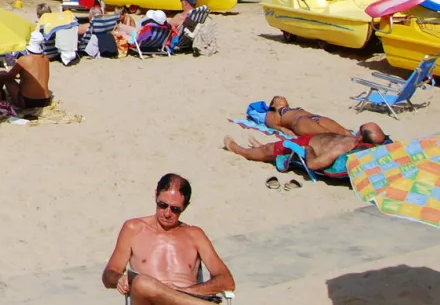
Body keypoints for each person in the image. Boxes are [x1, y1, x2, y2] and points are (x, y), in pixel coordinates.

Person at [101, 174, 234, 303]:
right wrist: (118, 278)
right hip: (150, 301)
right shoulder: (134, 229)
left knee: (142, 283)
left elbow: (226, 280)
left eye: (175, 209)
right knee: (141, 283)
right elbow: (109, 274)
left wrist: (185, 291)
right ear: (155, 196)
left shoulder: (195, 235)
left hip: (187, 299)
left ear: (185, 207)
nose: (167, 213)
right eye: (163, 205)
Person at [223, 123, 390, 178]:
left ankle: (239, 150)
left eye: (360, 130)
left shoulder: (344, 147)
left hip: (307, 145)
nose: (357, 131)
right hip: (311, 140)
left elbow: (315, 164)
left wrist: (308, 149)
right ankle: (258, 146)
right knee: (274, 146)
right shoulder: (358, 144)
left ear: (361, 138)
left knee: (269, 150)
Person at [262, 97, 351, 138]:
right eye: (278, 98)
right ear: (273, 104)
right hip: (300, 122)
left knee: (346, 133)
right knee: (328, 135)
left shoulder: (293, 109)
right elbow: (269, 122)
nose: (281, 98)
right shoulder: (273, 112)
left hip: (315, 117)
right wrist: (282, 129)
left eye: (283, 97)